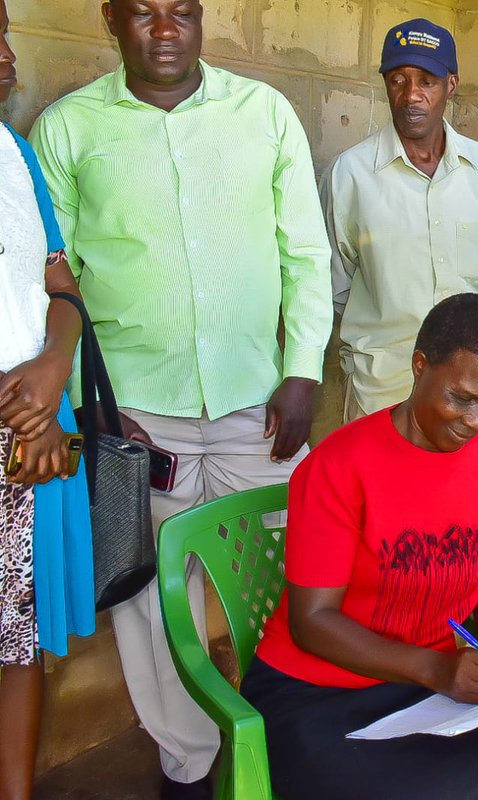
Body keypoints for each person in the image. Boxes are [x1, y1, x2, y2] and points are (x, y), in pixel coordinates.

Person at [29, 1, 332, 797]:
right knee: (154, 601)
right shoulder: (68, 129)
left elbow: (304, 249)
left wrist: (301, 369)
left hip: (258, 410)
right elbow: (53, 276)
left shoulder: (262, 113)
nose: (165, 29)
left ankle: (291, 737)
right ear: (111, 21)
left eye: (182, 12)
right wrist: (95, 406)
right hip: (136, 417)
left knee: (289, 574)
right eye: (144, 13)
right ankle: (191, 763)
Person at [241, 293, 478, 800]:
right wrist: (434, 668)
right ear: (419, 365)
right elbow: (312, 621)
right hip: (318, 691)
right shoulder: (340, 466)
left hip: (426, 688)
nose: (476, 421)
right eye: (463, 397)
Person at [0, 2, 94, 796]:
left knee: (17, 642)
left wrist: (51, 372)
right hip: (14, 421)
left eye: (2, 33)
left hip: (26, 443)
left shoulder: (14, 155)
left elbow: (59, 286)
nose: (7, 58)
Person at [326, 18, 478, 421]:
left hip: (471, 395)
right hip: (383, 391)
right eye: (398, 80)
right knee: (379, 487)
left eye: (427, 81)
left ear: (451, 86)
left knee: (466, 489)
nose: (411, 96)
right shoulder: (351, 174)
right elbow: (337, 286)